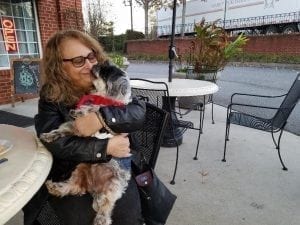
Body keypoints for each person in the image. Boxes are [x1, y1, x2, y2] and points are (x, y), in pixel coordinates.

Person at [23, 30, 146, 225]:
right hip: (72, 167)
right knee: (81, 219)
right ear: (59, 67)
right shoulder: (51, 96)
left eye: (91, 56)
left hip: (116, 168)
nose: (90, 65)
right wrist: (104, 149)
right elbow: (53, 139)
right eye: (79, 60)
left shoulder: (108, 79)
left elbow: (138, 112)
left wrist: (102, 118)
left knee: (128, 218)